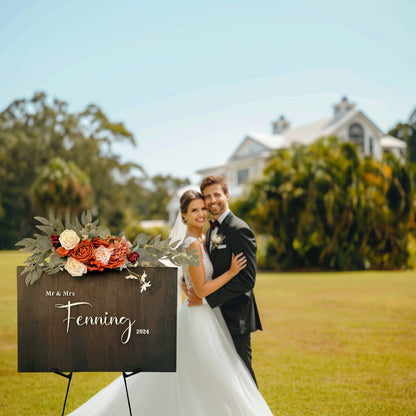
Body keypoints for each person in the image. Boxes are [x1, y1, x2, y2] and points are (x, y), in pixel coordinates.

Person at [67, 189, 273, 416]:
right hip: (199, 317)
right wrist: (232, 272)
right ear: (183, 216)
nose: (201, 213)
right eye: (194, 210)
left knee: (203, 376)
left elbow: (198, 281)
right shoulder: (192, 243)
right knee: (214, 374)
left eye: (203, 208)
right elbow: (203, 290)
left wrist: (188, 283)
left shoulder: (202, 239)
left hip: (205, 313)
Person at [187, 175, 262, 383]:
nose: (212, 201)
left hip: (236, 316)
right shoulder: (210, 231)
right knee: (222, 378)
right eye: (207, 196)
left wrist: (206, 299)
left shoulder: (239, 229)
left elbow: (246, 280)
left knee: (243, 375)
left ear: (227, 195)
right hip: (214, 316)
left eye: (217, 195)